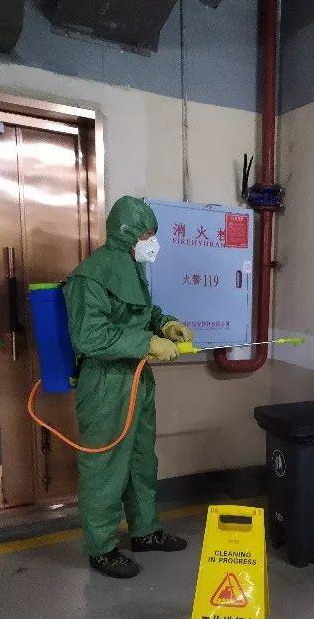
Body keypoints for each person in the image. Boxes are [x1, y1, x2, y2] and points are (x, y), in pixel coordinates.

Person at [64, 196, 193, 579]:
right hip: (106, 384)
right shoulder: (90, 276)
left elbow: (142, 312)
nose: (153, 243)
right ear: (127, 233)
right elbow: (90, 336)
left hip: (137, 377)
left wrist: (166, 324)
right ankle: (102, 548)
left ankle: (145, 531)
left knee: (140, 459)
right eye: (147, 235)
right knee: (105, 466)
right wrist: (147, 342)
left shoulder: (132, 269)